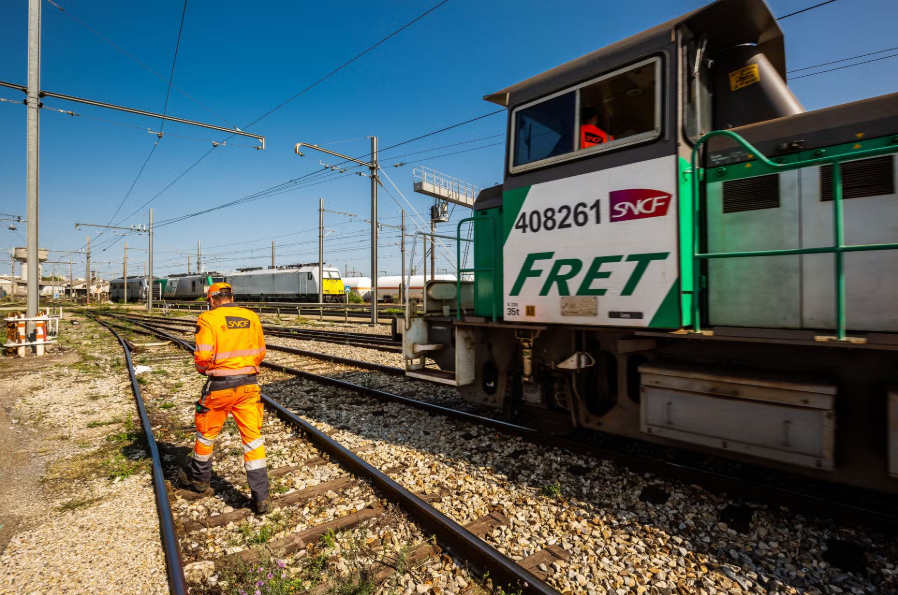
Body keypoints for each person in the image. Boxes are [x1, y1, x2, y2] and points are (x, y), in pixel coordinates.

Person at [178, 282, 270, 514]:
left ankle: (199, 480)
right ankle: (261, 498)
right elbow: (260, 353)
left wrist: (212, 369)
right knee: (253, 440)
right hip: (249, 386)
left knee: (207, 435)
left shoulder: (208, 319)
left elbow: (202, 358)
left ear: (211, 299)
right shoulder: (251, 317)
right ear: (231, 296)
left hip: (219, 388)